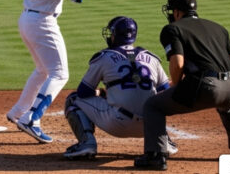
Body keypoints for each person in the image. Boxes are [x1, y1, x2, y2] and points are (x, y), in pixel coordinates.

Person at [134, 0, 230, 170]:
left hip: (208, 87)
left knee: (153, 106)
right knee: (229, 104)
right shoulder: (218, 27)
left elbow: (178, 62)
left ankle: (155, 156)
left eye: (173, 11)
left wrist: (176, 84)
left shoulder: (172, 29)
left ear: (178, 12)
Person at [6, 0, 94, 143]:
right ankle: (31, 119)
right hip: (43, 23)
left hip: (28, 19)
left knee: (42, 71)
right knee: (59, 73)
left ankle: (18, 112)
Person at [63, 16, 176, 160]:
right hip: (150, 125)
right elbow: (165, 93)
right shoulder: (152, 58)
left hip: (117, 124)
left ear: (115, 35)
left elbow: (83, 92)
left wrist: (100, 92)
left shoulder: (104, 57)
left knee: (73, 99)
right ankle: (164, 141)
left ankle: (87, 144)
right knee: (158, 102)